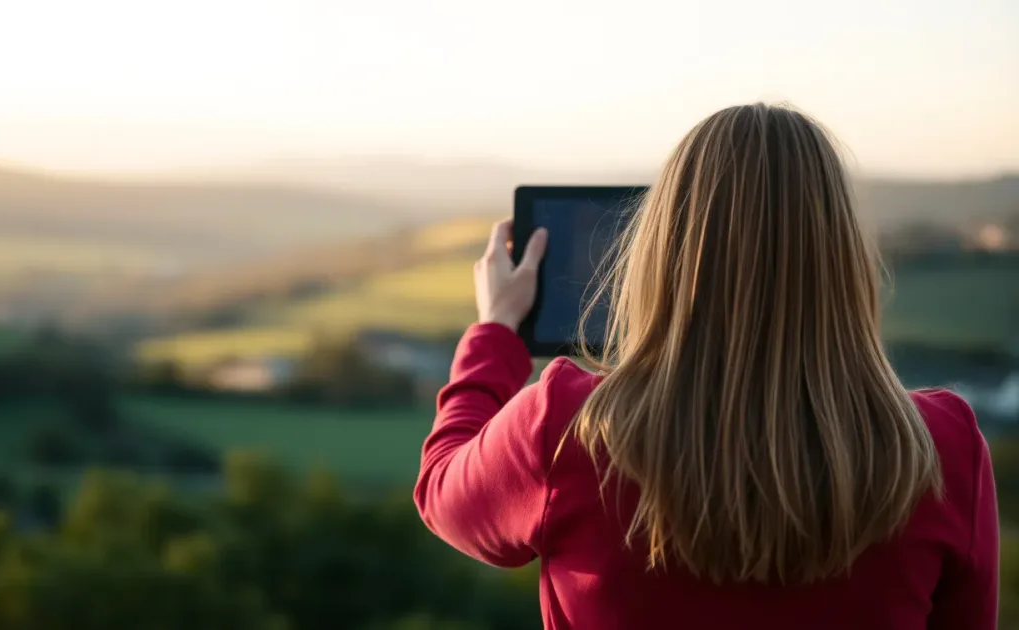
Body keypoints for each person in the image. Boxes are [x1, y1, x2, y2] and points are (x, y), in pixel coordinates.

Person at [413, 103, 999, 630]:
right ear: (843, 258)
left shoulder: (568, 426)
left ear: (661, 249)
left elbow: (443, 489)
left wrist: (494, 334)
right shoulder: (944, 448)